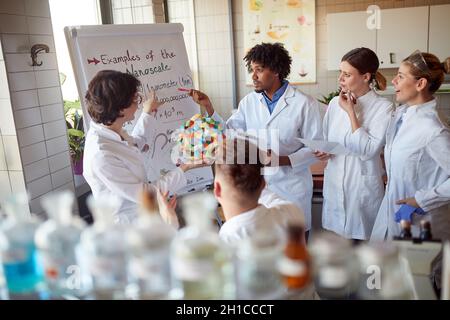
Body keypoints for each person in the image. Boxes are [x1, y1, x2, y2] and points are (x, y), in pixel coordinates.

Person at [190, 42, 323, 235]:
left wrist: (282, 160)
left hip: (291, 189)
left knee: (293, 251)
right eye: (252, 70)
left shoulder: (304, 104)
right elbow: (229, 133)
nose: (253, 76)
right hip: (257, 192)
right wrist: (209, 107)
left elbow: (315, 148)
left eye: (259, 70)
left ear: (276, 71)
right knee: (261, 249)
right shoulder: (249, 102)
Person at [83, 70, 196, 224]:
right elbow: (145, 194)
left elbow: (135, 144)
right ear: (121, 108)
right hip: (127, 226)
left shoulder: (110, 130)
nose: (139, 103)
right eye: (135, 99)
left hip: (143, 215)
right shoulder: (101, 154)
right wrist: (185, 167)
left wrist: (148, 112)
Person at [314, 48, 393, 240]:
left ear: (366, 76)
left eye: (347, 74)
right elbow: (328, 139)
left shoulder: (384, 107)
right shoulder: (334, 103)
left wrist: (351, 112)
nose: (340, 78)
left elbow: (367, 150)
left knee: (362, 255)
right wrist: (324, 151)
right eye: (340, 72)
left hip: (361, 189)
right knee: (338, 253)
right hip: (334, 184)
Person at [371, 51, 450, 242]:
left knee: (416, 270)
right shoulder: (402, 115)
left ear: (420, 84)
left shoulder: (433, 129)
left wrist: (421, 200)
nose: (393, 82)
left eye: (400, 76)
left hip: (422, 222)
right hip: (394, 212)